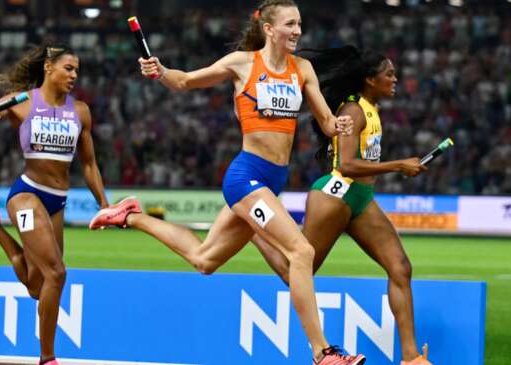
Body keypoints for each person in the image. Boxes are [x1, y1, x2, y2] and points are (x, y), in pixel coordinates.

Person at [90, 1, 365, 364]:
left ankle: (130, 216)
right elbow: (186, 81)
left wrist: (339, 127)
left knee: (204, 260)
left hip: (272, 179)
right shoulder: (243, 63)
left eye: (299, 23)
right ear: (269, 29)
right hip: (246, 177)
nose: (297, 30)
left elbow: (328, 123)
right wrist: (159, 71)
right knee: (301, 252)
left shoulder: (304, 69)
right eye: (290, 24)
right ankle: (323, 352)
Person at [250, 46, 432, 365]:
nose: (395, 78)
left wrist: (396, 167)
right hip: (335, 195)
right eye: (388, 73)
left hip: (360, 199)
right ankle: (251, 228)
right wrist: (398, 165)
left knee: (400, 267)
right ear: (369, 80)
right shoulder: (353, 111)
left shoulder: (371, 109)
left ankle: (411, 359)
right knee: (299, 270)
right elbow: (346, 165)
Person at [0, 44, 109, 365]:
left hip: (57, 202)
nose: (74, 75)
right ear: (49, 68)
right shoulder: (20, 103)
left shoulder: (80, 111)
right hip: (27, 195)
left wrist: (104, 206)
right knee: (57, 274)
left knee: (38, 287)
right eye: (69, 68)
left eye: (77, 70)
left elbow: (90, 166)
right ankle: (47, 358)